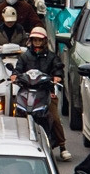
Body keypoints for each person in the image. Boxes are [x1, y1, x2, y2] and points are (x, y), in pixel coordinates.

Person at [15, 28, 69, 162]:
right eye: (34, 40)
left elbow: (58, 68)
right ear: (31, 41)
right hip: (26, 91)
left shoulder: (52, 57)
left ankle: (62, 146)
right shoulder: (24, 56)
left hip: (46, 92)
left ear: (44, 41)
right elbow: (18, 69)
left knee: (54, 117)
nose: (37, 42)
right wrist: (14, 75)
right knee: (17, 113)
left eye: (39, 40)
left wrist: (57, 77)